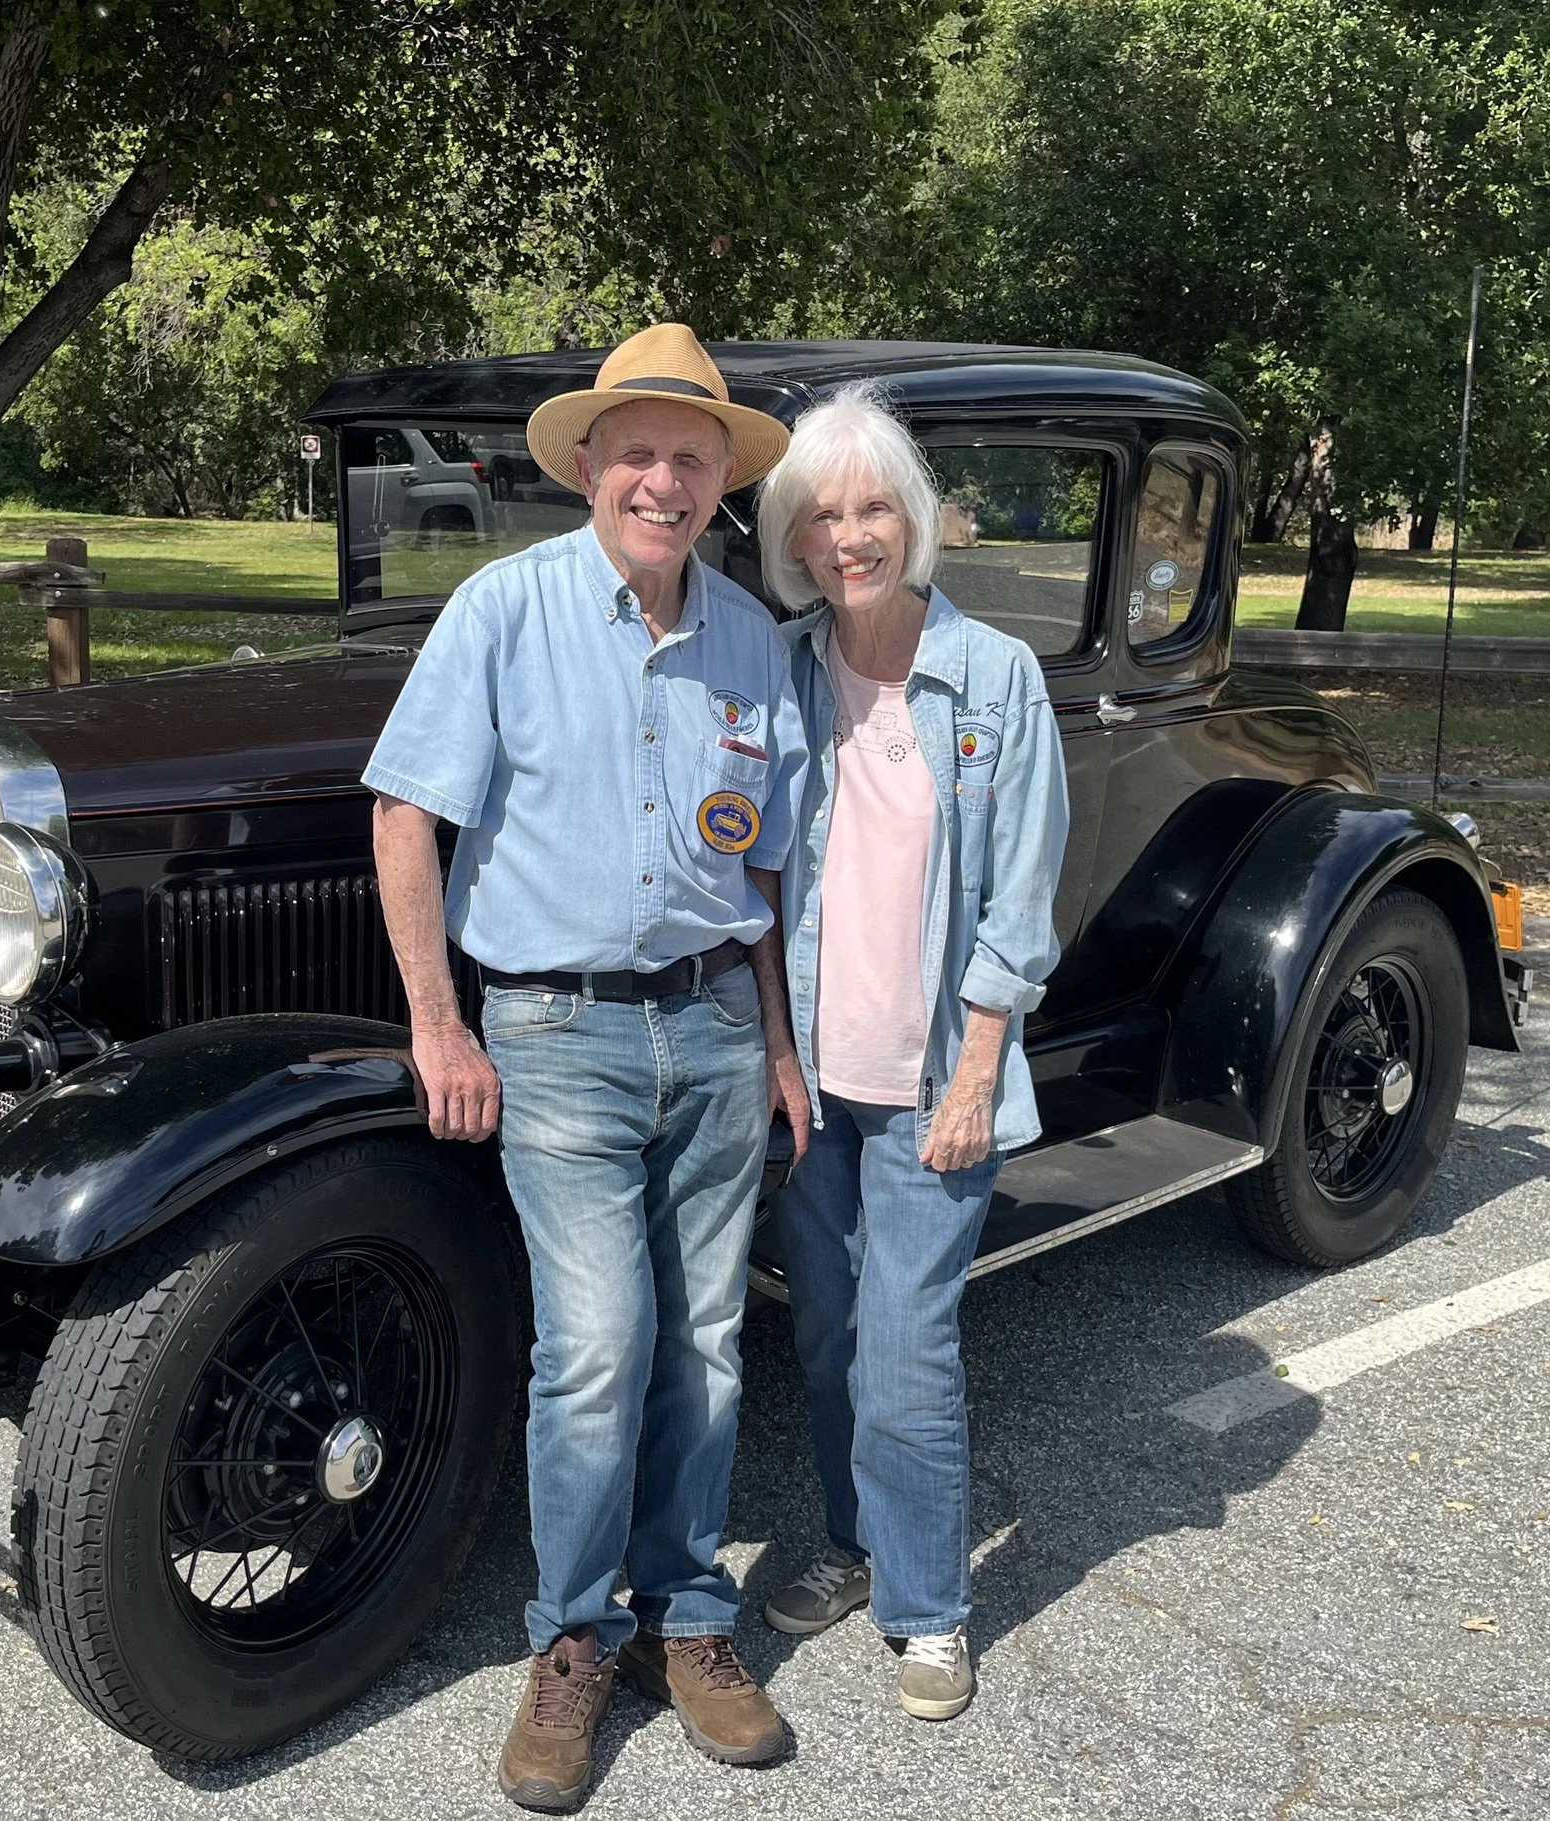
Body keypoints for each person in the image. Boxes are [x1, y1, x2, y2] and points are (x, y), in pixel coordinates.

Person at [362, 323, 811, 1812]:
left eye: (692, 459)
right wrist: (440, 1021)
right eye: (639, 455)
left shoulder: (752, 641)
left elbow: (767, 874)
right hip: (553, 1033)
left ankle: (689, 1619)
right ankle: (570, 1640)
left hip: (715, 1025)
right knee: (602, 1348)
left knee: (709, 1342)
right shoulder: (503, 610)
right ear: (587, 468)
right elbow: (406, 816)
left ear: (718, 485)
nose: (664, 481)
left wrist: (778, 1041)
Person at [754, 383, 1068, 1721]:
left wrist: (977, 1075)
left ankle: (928, 1607)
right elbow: (752, 881)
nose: (850, 535)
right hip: (812, 1082)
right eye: (822, 515)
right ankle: (854, 1538)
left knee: (906, 1346)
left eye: (873, 505)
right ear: (794, 539)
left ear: (915, 519)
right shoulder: (775, 669)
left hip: (938, 1079)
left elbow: (1021, 896)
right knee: (825, 1336)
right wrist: (771, 1050)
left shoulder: (992, 679)